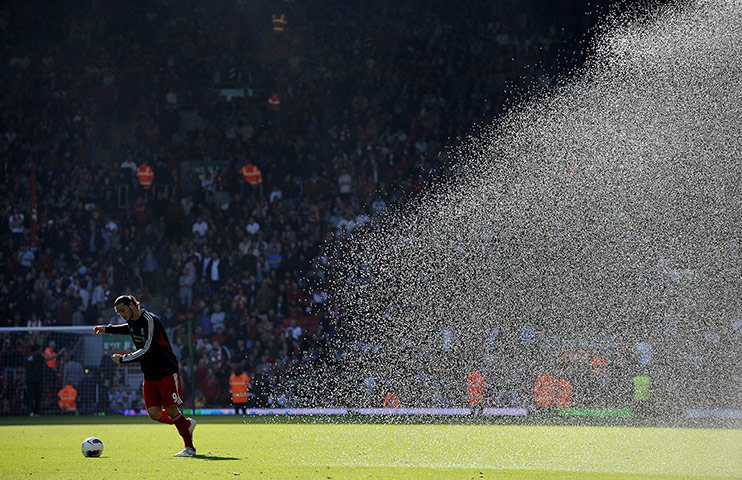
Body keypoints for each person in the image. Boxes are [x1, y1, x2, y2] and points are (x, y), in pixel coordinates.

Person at [93, 294, 197, 457]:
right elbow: (127, 328)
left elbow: (148, 349)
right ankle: (186, 424)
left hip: (166, 370)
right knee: (154, 413)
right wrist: (106, 328)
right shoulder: (132, 321)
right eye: (119, 312)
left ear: (132, 305)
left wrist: (122, 359)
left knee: (171, 410)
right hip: (150, 373)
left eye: (123, 310)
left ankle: (189, 447)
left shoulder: (151, 320)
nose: (121, 314)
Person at [25, 344, 45, 416]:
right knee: (37, 396)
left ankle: (30, 411)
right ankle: (36, 412)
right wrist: (57, 355)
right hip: (36, 379)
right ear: (38, 349)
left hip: (29, 379)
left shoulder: (28, 357)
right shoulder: (39, 356)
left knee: (30, 396)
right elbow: (47, 359)